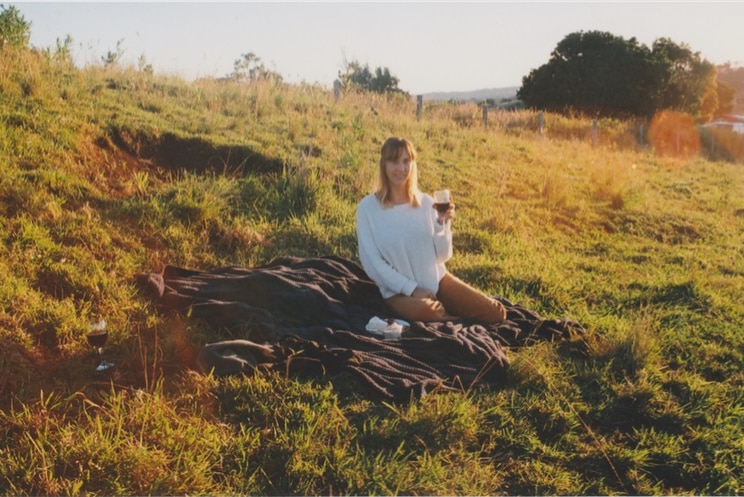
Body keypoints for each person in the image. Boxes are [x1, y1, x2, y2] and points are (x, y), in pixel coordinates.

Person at [356, 137, 506, 324]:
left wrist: (443, 225)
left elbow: (443, 256)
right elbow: (373, 264)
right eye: (394, 161)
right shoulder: (368, 208)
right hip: (398, 292)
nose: (401, 169)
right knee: (429, 313)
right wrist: (411, 289)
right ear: (383, 164)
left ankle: (451, 312)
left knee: (495, 313)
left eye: (406, 161)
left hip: (437, 282)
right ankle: (452, 317)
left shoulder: (427, 203)